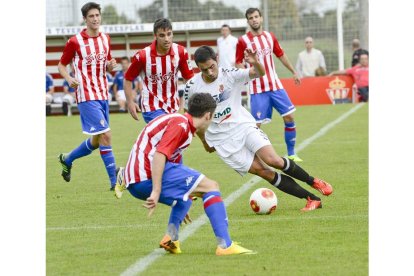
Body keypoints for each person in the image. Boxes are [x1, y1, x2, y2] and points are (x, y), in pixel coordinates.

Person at [184, 46, 333, 212]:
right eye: (204, 70)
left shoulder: (229, 74)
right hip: (222, 141)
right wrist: (205, 142)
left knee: (273, 160)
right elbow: (192, 117)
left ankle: (314, 181)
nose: (210, 72)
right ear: (198, 67)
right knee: (264, 172)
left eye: (212, 67)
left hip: (243, 126)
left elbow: (259, 73)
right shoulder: (192, 87)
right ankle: (312, 199)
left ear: (217, 59)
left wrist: (256, 62)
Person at [115, 93, 255, 255]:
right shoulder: (180, 124)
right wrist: (156, 191)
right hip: (144, 175)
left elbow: (174, 162)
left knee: (188, 197)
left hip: (137, 180)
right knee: (211, 187)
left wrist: (183, 195)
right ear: (208, 115)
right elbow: (160, 154)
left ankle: (170, 239)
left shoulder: (183, 125)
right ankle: (225, 246)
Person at [57, 2, 119, 190]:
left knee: (96, 140)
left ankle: (67, 159)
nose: (95, 19)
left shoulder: (105, 39)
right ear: (85, 19)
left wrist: (110, 65)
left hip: (102, 93)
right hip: (86, 94)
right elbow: (61, 65)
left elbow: (107, 63)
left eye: (97, 15)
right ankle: (114, 182)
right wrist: (69, 78)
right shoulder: (75, 41)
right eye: (91, 16)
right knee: (106, 135)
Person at [235, 7, 303, 162]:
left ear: (261, 18)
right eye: (251, 18)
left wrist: (294, 71)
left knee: (289, 117)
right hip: (258, 89)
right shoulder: (243, 41)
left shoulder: (269, 37)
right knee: (255, 126)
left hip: (275, 86)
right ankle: (250, 157)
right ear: (248, 21)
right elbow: (238, 62)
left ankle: (291, 153)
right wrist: (246, 74)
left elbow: (280, 54)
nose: (254, 20)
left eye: (256, 17)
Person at [124, 18, 194, 124]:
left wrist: (188, 104)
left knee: (173, 138)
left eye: (169, 34)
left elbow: (189, 79)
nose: (166, 39)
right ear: (155, 36)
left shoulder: (180, 52)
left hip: (173, 106)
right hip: (151, 108)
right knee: (167, 131)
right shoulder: (143, 56)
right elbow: (128, 78)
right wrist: (130, 102)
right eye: (162, 35)